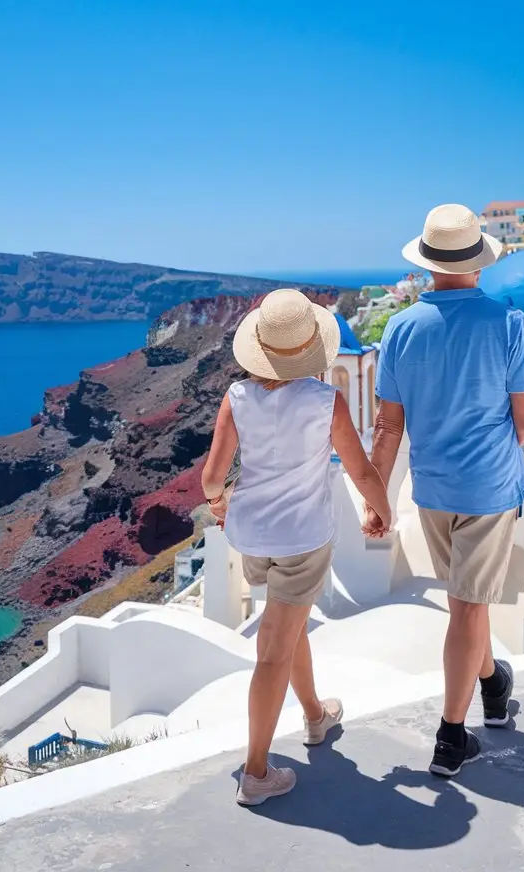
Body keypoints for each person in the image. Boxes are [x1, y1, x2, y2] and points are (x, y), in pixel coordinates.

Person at [363, 203, 524, 778]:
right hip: (487, 488)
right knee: (468, 607)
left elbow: (388, 426)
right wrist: (492, 454)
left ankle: (493, 685)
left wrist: (377, 499)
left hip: (432, 490)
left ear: (428, 264)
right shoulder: (507, 322)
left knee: (467, 602)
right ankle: (449, 738)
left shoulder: (400, 327)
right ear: (478, 260)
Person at [202, 288, 394, 806]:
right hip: (302, 541)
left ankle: (315, 716)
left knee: (287, 622)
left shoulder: (237, 398)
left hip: (252, 537)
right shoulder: (323, 400)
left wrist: (220, 505)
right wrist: (382, 511)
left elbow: (212, 477)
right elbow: (359, 469)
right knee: (272, 652)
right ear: (311, 350)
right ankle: (257, 772)